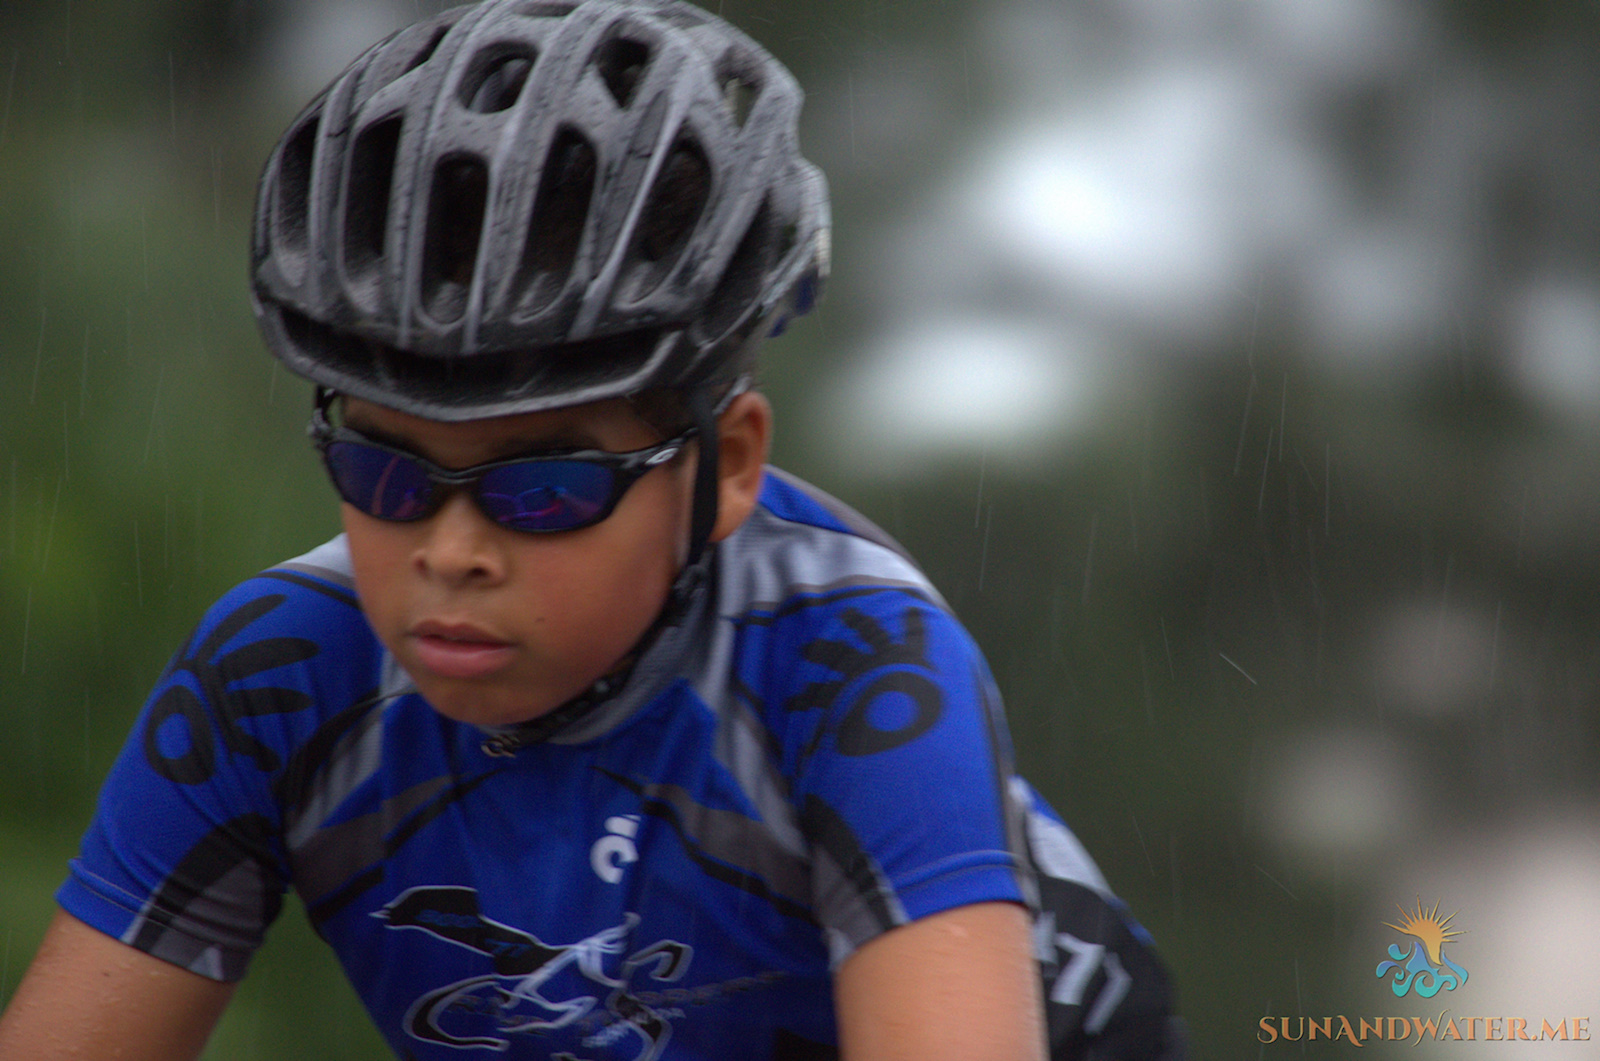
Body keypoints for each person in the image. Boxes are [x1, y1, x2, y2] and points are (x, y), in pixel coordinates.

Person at [0, 1, 1183, 1058]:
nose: (450, 550)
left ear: (728, 465)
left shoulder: (857, 663)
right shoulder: (273, 672)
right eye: (382, 471)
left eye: (544, 487)